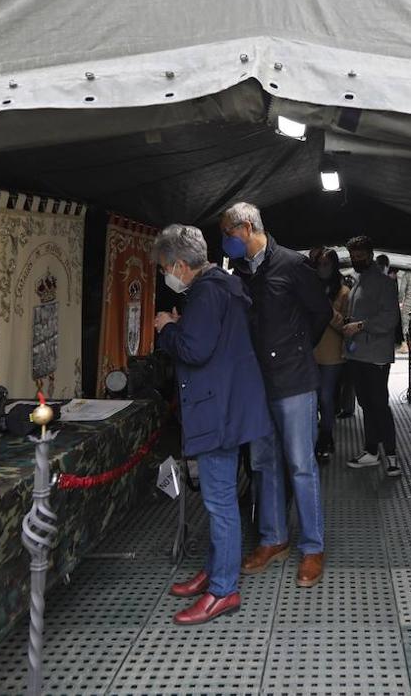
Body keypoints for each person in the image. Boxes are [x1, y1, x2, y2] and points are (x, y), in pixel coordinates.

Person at [152, 224, 272, 625]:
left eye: (167, 268)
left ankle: (223, 589)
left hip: (216, 408)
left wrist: (168, 329)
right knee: (220, 499)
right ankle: (215, 569)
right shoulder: (225, 282)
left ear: (181, 265)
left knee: (219, 503)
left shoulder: (204, 294)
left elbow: (195, 349)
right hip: (234, 405)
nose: (167, 275)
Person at [219, 202, 331, 587]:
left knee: (301, 464)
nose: (226, 242)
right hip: (257, 383)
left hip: (295, 380)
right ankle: (274, 539)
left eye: (229, 234)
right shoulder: (241, 271)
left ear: (247, 228)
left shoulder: (292, 265)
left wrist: (298, 349)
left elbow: (321, 313)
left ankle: (313, 547)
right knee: (263, 463)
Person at [342, 235, 403, 477]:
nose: (357, 260)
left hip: (375, 354)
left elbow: (390, 318)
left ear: (370, 254)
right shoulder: (359, 280)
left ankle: (391, 455)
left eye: (360, 256)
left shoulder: (384, 283)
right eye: (354, 257)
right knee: (365, 403)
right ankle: (371, 450)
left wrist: (359, 326)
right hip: (358, 354)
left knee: (379, 404)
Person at [308, 246, 349, 461]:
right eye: (319, 265)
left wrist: (326, 309)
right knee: (312, 399)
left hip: (332, 354)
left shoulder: (343, 292)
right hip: (310, 352)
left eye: (326, 264)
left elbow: (346, 325)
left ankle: (326, 438)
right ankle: (314, 439)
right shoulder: (310, 289)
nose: (322, 269)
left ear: (334, 267)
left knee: (326, 397)